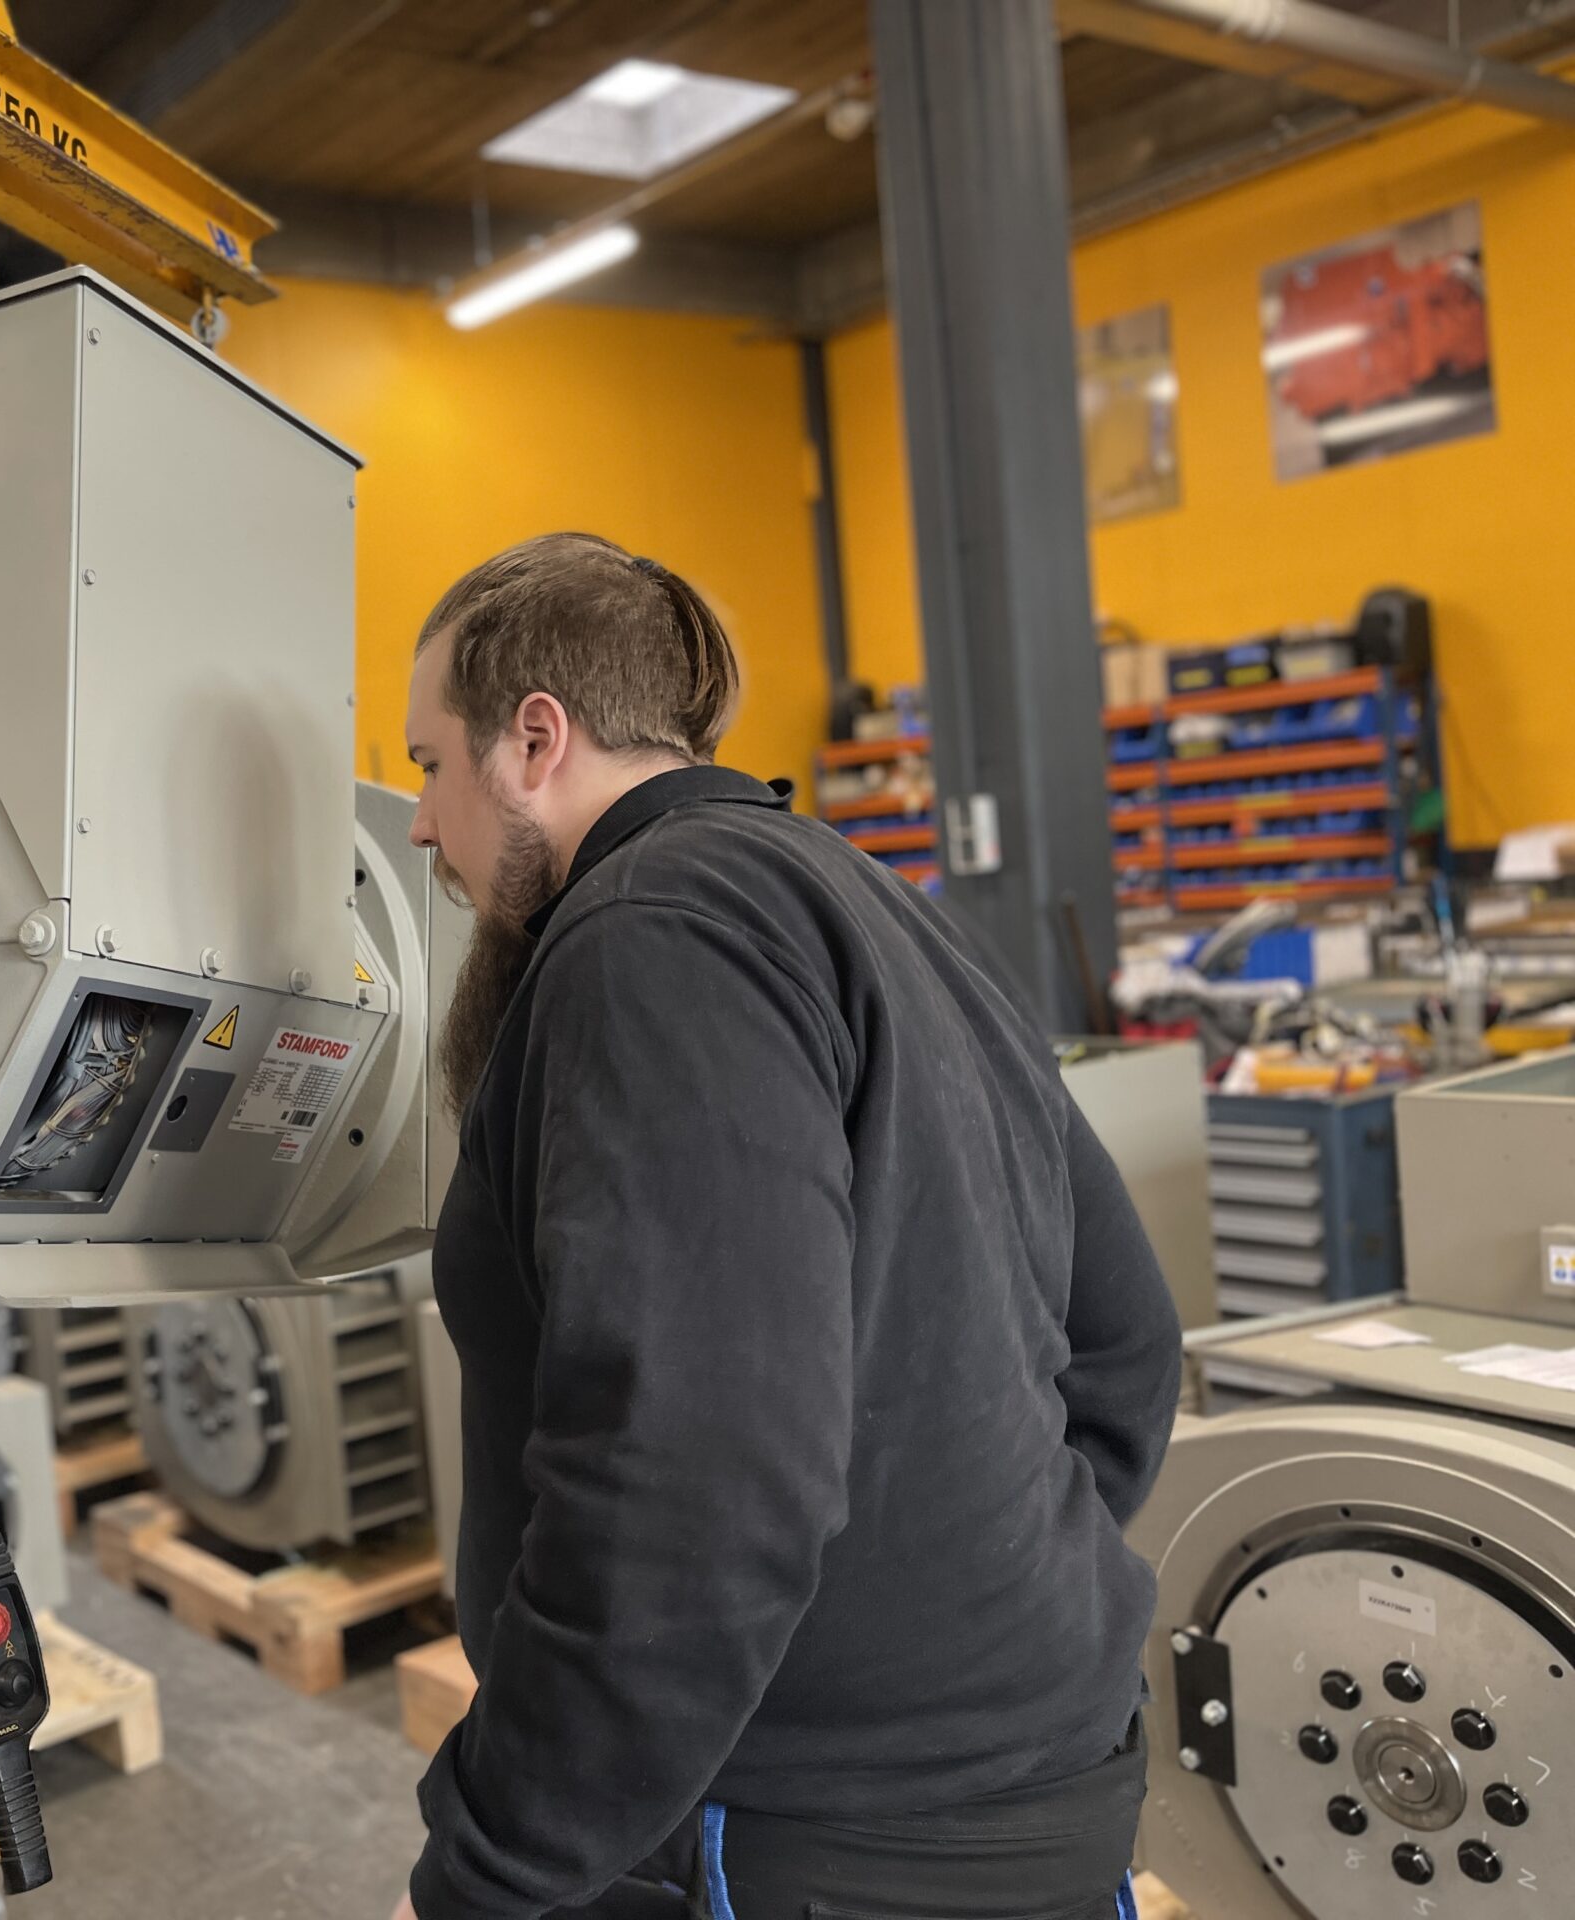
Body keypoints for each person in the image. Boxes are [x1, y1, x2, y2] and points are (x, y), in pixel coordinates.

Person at [394, 533, 1180, 1920]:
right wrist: (972, 1597)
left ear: (533, 741)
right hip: (1046, 1789)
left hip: (808, 1841)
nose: (416, 825)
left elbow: (691, 1472)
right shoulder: (877, 904)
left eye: (428, 764)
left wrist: (492, 1865)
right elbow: (1122, 1343)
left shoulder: (651, 936)